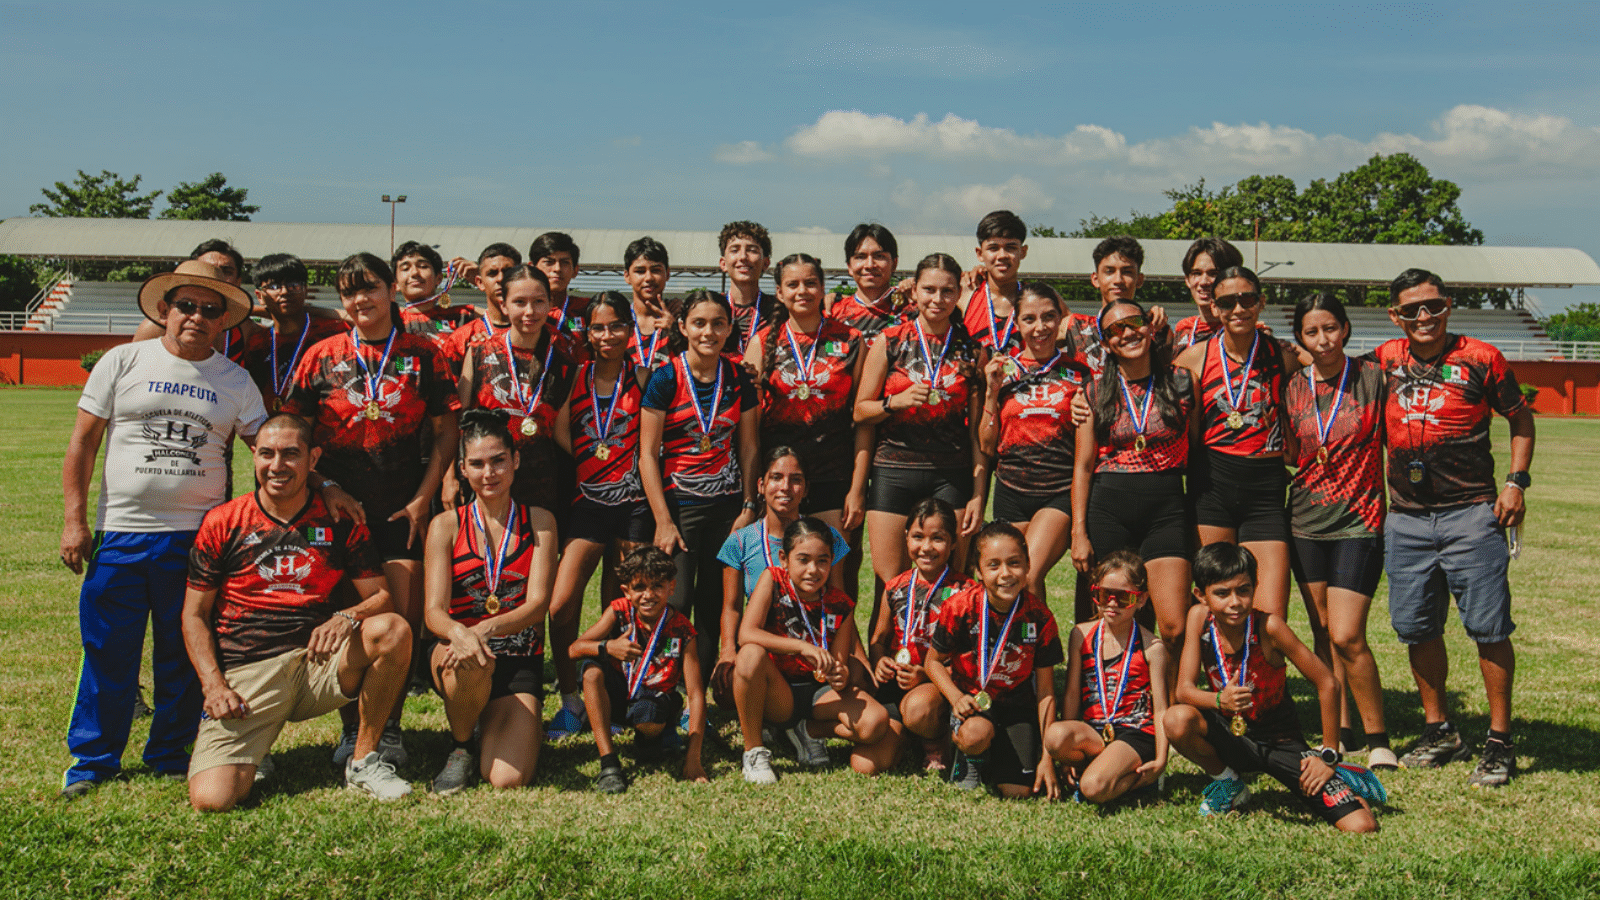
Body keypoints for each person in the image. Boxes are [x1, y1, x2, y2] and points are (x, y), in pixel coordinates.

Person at [59, 260, 268, 798]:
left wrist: (324, 487)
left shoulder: (234, 380)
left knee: (182, 652)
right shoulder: (123, 360)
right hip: (122, 532)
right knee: (109, 650)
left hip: (197, 539)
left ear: (224, 321)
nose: (196, 316)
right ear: (164, 310)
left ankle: (169, 753)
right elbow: (83, 444)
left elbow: (267, 452)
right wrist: (74, 521)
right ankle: (92, 761)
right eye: (186, 306)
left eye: (209, 309)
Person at [280, 252, 461, 767]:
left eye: (370, 288)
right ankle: (351, 727)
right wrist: (325, 484)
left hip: (402, 510)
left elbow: (447, 431)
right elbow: (293, 432)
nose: (360, 300)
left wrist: (425, 495)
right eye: (349, 292)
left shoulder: (425, 354)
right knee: (351, 624)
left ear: (389, 291)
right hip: (340, 515)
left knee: (400, 624)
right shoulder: (321, 355)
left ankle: (390, 728)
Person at [182, 414, 413, 809]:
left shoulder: (338, 519)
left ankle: (364, 762)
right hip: (249, 673)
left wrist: (346, 616)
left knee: (392, 630)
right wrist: (214, 686)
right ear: (253, 455)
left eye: (291, 454)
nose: (278, 466)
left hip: (317, 664)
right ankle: (256, 745)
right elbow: (194, 615)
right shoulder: (224, 521)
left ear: (313, 458)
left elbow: (381, 598)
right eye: (267, 454)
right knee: (212, 799)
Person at [1375, 268, 1534, 788]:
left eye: (1433, 306)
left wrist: (1516, 483)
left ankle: (1499, 739)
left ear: (1448, 305)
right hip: (1406, 515)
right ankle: (1439, 728)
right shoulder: (1384, 359)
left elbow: (1521, 419)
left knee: (1488, 629)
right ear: (1395, 315)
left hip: (1471, 512)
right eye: (1412, 309)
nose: (1424, 317)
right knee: (1417, 627)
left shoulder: (1482, 357)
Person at [1163, 543, 1382, 831]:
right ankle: (1228, 782)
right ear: (1200, 596)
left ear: (1255, 587)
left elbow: (1327, 683)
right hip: (1232, 733)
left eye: (1243, 590)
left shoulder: (1270, 628)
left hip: (1280, 741)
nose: (1235, 602)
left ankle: (1343, 775)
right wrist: (1220, 701)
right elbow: (1184, 691)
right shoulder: (1198, 619)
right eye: (1221, 593)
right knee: (1177, 719)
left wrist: (1328, 754)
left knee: (1360, 825)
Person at [1283, 293, 1394, 767]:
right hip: (1305, 521)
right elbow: (1290, 451)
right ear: (1301, 338)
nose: (1323, 339)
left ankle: (1379, 740)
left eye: (1331, 328)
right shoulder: (1290, 387)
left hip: (1358, 521)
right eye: (1312, 332)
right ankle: (1340, 730)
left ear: (1345, 329)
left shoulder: (1373, 379)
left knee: (1348, 635)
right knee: (1322, 630)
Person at [423, 410, 558, 793]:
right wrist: (462, 635)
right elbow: (433, 611)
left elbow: (537, 605)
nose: (489, 473)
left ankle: (495, 719)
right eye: (478, 464)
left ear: (515, 461)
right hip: (457, 654)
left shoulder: (541, 521)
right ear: (463, 469)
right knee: (470, 659)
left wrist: (483, 629)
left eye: (499, 460)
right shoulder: (446, 525)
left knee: (507, 779)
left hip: (517, 658)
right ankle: (461, 746)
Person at [638, 290, 761, 676]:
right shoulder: (665, 377)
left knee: (715, 600)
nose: (708, 332)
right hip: (679, 508)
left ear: (729, 329)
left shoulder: (739, 376)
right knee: (677, 600)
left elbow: (749, 447)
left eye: (718, 324)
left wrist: (747, 506)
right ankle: (666, 687)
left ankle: (700, 697)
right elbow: (647, 454)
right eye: (700, 323)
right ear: (683, 327)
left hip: (727, 507)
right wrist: (663, 520)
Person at [548, 292, 652, 738]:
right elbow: (557, 428)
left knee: (625, 603)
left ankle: (618, 695)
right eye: (598, 327)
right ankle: (570, 699)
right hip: (589, 502)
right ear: (586, 332)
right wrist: (593, 469)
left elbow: (653, 441)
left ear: (630, 329)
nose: (607, 335)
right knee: (561, 604)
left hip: (633, 506)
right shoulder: (576, 376)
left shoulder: (645, 376)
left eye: (615, 326)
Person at [1175, 266, 1302, 620]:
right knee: (1210, 600)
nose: (1238, 309)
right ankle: (1215, 672)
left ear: (1261, 303)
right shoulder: (1194, 358)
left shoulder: (1282, 354)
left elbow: (1330, 370)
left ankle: (1260, 674)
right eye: (1227, 302)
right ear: (1214, 308)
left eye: (1247, 299)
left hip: (1265, 490)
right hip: (1212, 485)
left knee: (1270, 611)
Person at [1072, 300, 1196, 658]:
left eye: (1134, 322)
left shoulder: (1182, 381)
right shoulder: (1094, 391)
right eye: (1115, 330)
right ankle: (1108, 701)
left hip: (1167, 509)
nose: (1128, 333)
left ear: (1150, 325)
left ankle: (1167, 708)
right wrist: (1079, 532)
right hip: (1109, 509)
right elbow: (1082, 467)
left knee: (1173, 626)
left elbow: (1199, 445)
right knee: (1110, 620)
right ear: (1107, 342)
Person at [744, 253, 871, 595]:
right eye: (793, 284)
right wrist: (750, 493)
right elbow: (749, 430)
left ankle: (835, 648)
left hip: (833, 474)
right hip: (779, 481)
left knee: (834, 577)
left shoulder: (852, 340)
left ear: (822, 287)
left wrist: (857, 488)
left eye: (811, 283)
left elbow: (862, 420)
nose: (803, 291)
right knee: (775, 574)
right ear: (780, 292)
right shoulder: (762, 342)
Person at [856, 253, 988, 582]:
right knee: (890, 583)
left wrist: (978, 494)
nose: (937, 299)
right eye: (929, 290)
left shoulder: (972, 349)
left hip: (951, 474)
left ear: (959, 293)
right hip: (894, 472)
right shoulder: (889, 340)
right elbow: (860, 411)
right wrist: (893, 402)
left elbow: (977, 436)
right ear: (914, 291)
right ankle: (885, 637)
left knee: (951, 581)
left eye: (947, 291)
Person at [733, 518, 892, 783]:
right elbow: (746, 633)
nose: (813, 570)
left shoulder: (840, 604)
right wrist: (801, 647)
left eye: (822, 560)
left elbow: (839, 663)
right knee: (750, 654)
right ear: (784, 558)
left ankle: (809, 731)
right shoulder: (772, 580)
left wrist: (839, 674)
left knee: (875, 723)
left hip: (819, 693)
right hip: (779, 691)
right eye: (803, 559)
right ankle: (754, 751)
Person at [924, 522, 1062, 798]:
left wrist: (1047, 757)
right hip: (973, 701)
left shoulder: (1040, 617)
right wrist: (955, 698)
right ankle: (969, 754)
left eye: (1014, 563)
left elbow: (1046, 692)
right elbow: (933, 662)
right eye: (994, 565)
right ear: (978, 571)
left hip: (1017, 705)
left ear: (1027, 565)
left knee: (1018, 791)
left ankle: (998, 754)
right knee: (975, 735)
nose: (1006, 574)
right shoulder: (961, 607)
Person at [978, 282, 1092, 603]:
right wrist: (990, 391)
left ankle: (1042, 650)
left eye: (1048, 317)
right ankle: (1018, 648)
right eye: (1029, 319)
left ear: (1060, 321)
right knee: (1006, 587)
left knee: (1026, 576)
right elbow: (987, 446)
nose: (1040, 327)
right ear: (1016, 323)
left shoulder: (1079, 373)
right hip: (1010, 491)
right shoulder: (1002, 370)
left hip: (1057, 492)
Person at [713, 448, 852, 706]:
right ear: (761, 485)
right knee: (728, 682)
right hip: (765, 648)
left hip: (816, 651)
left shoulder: (827, 537)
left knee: (861, 680)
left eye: (796, 479)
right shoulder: (740, 542)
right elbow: (731, 608)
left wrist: (855, 659)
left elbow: (839, 599)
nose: (785, 487)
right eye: (776, 478)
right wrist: (727, 651)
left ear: (806, 489)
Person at [571, 547, 707, 793]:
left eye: (657, 586)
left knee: (647, 715)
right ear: (626, 590)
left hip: (654, 699)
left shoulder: (682, 630)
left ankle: (651, 738)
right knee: (591, 672)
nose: (648, 595)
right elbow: (575, 649)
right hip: (618, 696)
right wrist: (608, 647)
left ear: (671, 588)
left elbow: (695, 695)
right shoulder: (619, 611)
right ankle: (609, 763)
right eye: (639, 587)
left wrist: (694, 759)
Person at [1044, 551, 1168, 805]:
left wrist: (1162, 759)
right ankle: (1105, 769)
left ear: (1141, 599)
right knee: (1054, 736)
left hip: (1135, 732)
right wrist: (1066, 758)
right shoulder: (1081, 634)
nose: (1112, 604)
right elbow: (1071, 694)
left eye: (1123, 598)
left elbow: (1162, 709)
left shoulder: (1152, 647)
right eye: (1104, 595)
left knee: (1092, 788)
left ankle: (1139, 780)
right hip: (1095, 730)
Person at [456, 265, 577, 518]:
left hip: (541, 484)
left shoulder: (563, 361)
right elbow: (459, 422)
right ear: (504, 304)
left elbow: (561, 431)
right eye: (519, 302)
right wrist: (449, 477)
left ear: (550, 303)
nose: (529, 312)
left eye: (538, 302)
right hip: (488, 480)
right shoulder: (479, 352)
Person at [867, 498, 972, 771]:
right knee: (866, 764)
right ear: (906, 537)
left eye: (937, 538)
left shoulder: (966, 591)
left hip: (938, 687)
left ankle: (937, 742)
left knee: (918, 709)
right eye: (918, 537)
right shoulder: (895, 587)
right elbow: (879, 638)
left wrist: (925, 675)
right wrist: (880, 661)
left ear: (952, 543)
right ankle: (908, 738)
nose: (926, 547)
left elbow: (970, 658)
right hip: (898, 684)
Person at [236, 254, 346, 412]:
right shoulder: (256, 344)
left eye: (294, 285)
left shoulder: (333, 332)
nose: (285, 291)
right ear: (259, 296)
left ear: (305, 291)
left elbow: (395, 353)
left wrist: (324, 311)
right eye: (274, 286)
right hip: (270, 430)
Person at [132, 240, 259, 360]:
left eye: (226, 271)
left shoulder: (244, 329)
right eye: (185, 306)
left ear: (238, 282)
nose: (215, 276)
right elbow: (131, 368)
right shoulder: (156, 327)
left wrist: (254, 310)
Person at [1062, 236, 1150, 378]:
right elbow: (1047, 365)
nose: (1118, 280)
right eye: (1109, 271)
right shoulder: (1076, 326)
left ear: (1139, 280)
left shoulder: (1149, 328)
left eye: (1127, 272)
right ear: (1095, 279)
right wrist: (1071, 382)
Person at [441, 242, 525, 378]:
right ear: (479, 282)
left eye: (508, 272)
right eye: (492, 273)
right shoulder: (462, 338)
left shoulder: (540, 331)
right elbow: (448, 394)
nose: (501, 279)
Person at [960, 210, 1028, 354]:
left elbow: (1071, 331)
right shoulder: (965, 294)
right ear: (980, 253)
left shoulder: (1038, 298)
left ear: (1023, 252)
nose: (1002, 255)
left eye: (1010, 248)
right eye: (993, 248)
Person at [827, 223, 908, 337]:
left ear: (894, 264)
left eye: (879, 256)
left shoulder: (910, 309)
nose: (870, 265)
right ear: (849, 266)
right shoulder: (832, 312)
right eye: (860, 257)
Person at [393, 240, 476, 343]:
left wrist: (481, 279)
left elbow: (500, 315)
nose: (414, 273)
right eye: (405, 268)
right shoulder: (389, 320)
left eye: (423, 266)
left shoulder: (461, 316)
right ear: (395, 283)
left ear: (439, 278)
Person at [1171, 238, 1245, 350]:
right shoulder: (1184, 329)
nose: (1204, 282)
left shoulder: (1244, 333)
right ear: (1187, 280)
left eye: (1213, 274)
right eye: (1197, 273)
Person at [718, 220, 775, 356]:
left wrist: (834, 298)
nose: (743, 257)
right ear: (723, 263)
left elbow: (825, 343)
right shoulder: (711, 308)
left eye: (752, 250)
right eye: (735, 250)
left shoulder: (781, 310)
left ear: (765, 263)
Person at [623, 236, 677, 375]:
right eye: (640, 271)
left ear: (668, 274)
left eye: (656, 270)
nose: (648, 278)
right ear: (627, 276)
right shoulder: (618, 321)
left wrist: (676, 331)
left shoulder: (682, 319)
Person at [529, 231, 587, 342]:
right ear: (532, 269)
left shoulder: (585, 310)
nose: (557, 269)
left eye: (564, 262)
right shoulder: (521, 312)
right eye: (549, 262)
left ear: (575, 270)